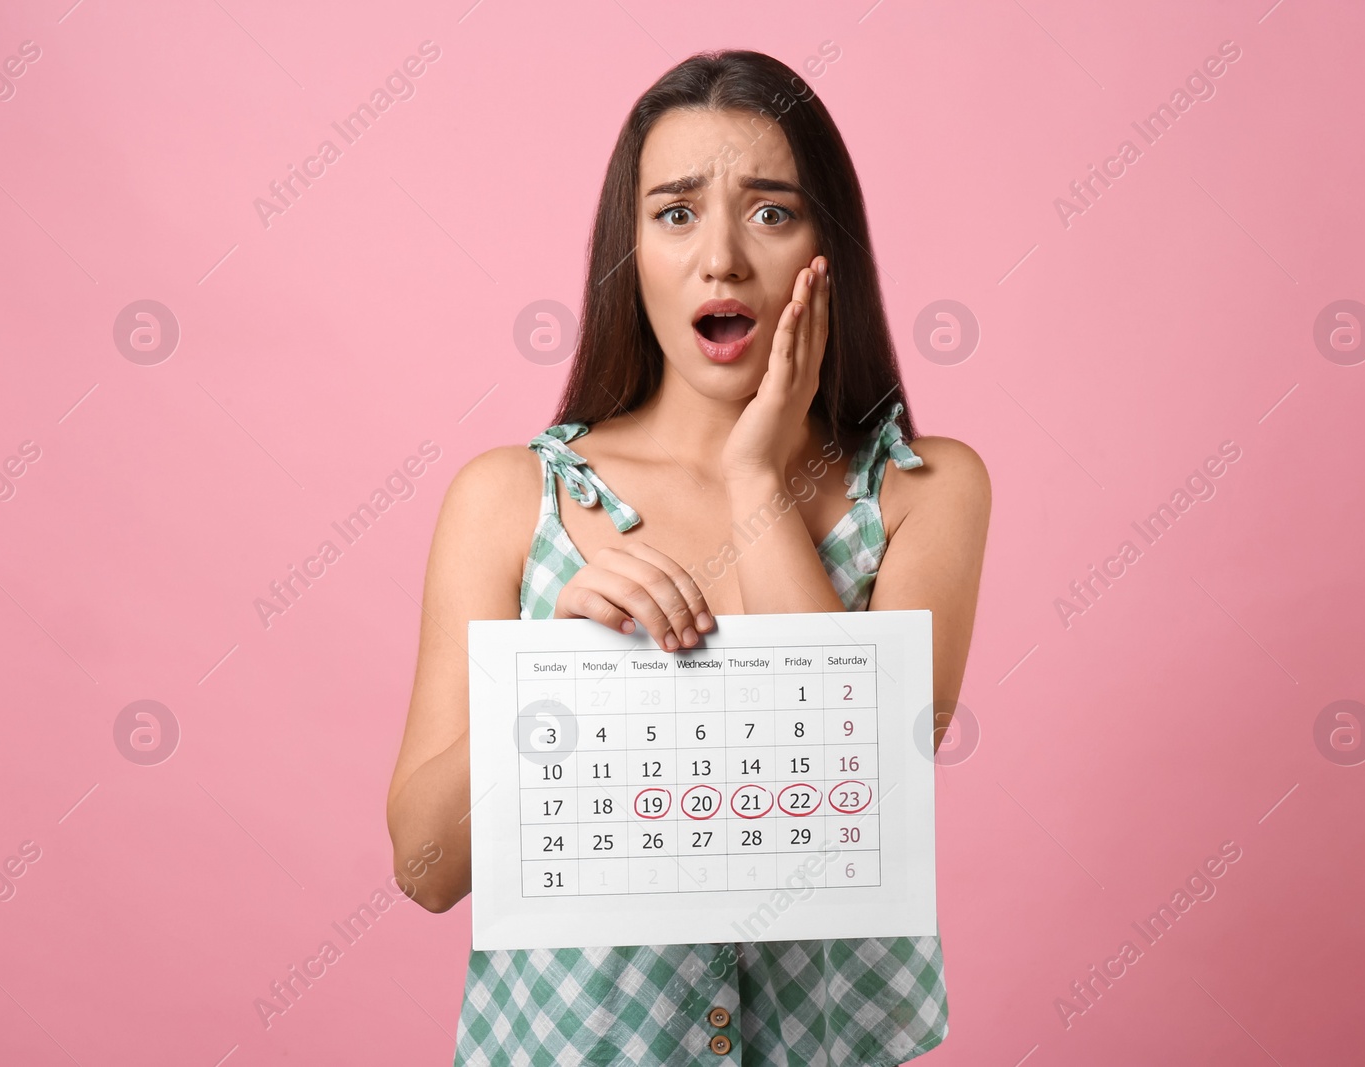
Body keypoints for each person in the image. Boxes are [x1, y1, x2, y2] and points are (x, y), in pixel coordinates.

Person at [386, 48, 990, 1067]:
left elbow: (867, 799)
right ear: (630, 253)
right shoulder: (506, 498)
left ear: (826, 245)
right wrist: (560, 676)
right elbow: (427, 864)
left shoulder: (925, 488)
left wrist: (759, 480)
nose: (721, 259)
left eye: (769, 211)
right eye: (675, 213)